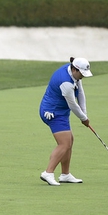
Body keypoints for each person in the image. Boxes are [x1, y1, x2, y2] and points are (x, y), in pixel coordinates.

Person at [38, 57, 93, 186]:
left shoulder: (73, 73)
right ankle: (48, 173)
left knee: (69, 141)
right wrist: (83, 119)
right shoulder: (65, 82)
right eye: (81, 74)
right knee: (64, 143)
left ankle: (65, 174)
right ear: (75, 69)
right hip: (52, 112)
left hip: (61, 111)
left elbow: (80, 93)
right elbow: (73, 104)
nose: (82, 77)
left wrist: (85, 114)